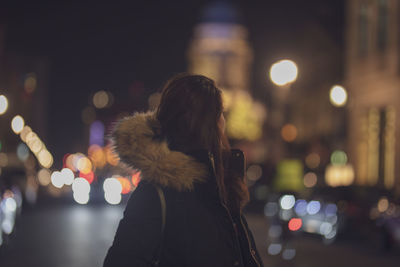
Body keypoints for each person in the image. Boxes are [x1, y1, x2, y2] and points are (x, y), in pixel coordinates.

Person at [104, 73, 263, 267]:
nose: (224, 121)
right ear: (209, 123)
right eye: (220, 112)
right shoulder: (155, 194)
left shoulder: (221, 186)